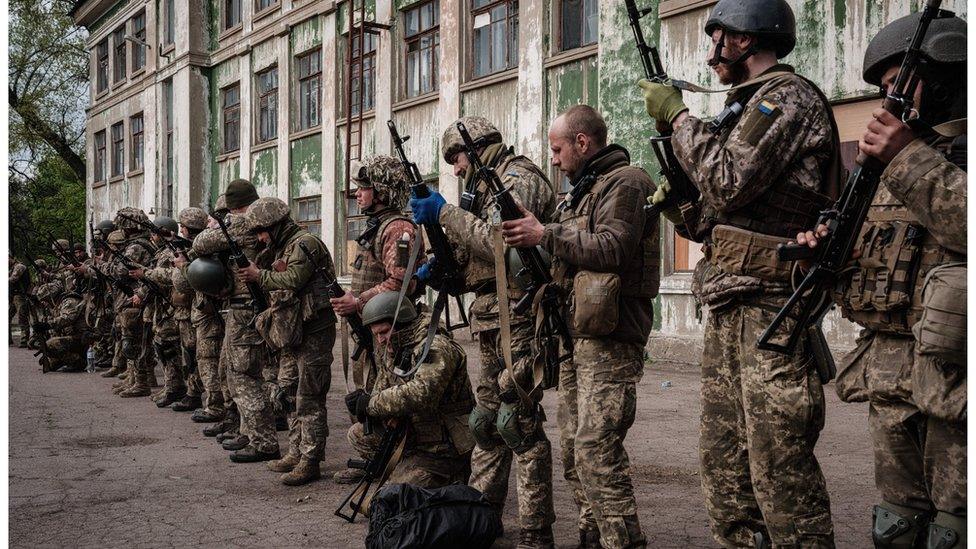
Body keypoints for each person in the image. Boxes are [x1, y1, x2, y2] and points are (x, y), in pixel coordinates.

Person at [637, 0, 841, 546]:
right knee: (726, 475)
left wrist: (681, 118)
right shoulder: (743, 107)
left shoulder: (787, 100)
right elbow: (714, 218)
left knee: (780, 474)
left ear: (746, 39)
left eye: (718, 40)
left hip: (771, 306)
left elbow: (728, 179)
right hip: (730, 302)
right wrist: (680, 200)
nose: (710, 56)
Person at [796, 13, 967, 548]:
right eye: (884, 89)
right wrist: (822, 248)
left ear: (945, 74)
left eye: (899, 85)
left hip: (957, 376)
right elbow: (865, 251)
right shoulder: (887, 166)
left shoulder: (920, 156)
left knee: (954, 529)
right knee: (894, 525)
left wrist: (905, 156)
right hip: (890, 372)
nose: (890, 101)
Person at [501, 105, 659, 548]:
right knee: (574, 450)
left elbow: (612, 248)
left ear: (583, 143)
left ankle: (622, 541)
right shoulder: (582, 192)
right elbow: (571, 253)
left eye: (557, 149)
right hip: (577, 338)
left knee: (596, 449)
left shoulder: (627, 183)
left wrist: (545, 235)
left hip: (612, 340)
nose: (553, 159)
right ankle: (593, 532)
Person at [410, 115, 558, 547]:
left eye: (456, 158)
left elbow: (498, 242)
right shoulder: (483, 191)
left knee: (519, 423)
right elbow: (477, 263)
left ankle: (535, 531)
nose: (455, 169)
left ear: (477, 147)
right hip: (492, 319)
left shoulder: (519, 178)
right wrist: (442, 267)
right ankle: (480, 516)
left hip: (523, 319)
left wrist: (446, 212)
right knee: (486, 423)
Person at [330, 155, 425, 484]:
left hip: (393, 329)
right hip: (374, 327)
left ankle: (394, 466)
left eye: (364, 187)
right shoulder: (379, 226)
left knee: (388, 397)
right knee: (371, 391)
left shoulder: (398, 228)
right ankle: (378, 462)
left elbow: (402, 282)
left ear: (382, 191)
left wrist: (358, 301)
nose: (358, 194)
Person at [238, 196, 337, 485]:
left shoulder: (305, 243)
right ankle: (295, 451)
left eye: (262, 231)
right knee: (289, 393)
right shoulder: (282, 247)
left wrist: (259, 275)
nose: (260, 237)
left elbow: (293, 278)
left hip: (315, 330)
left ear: (276, 225)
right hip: (293, 330)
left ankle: (311, 460)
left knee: (310, 397)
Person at [344, 291, 475, 488]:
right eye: (376, 334)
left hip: (442, 446)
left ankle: (451, 475)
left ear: (402, 323)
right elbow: (383, 387)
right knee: (358, 434)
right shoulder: (394, 346)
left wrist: (371, 404)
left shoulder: (435, 346)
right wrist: (365, 402)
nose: (380, 340)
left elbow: (422, 394)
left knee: (395, 500)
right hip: (413, 435)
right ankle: (403, 467)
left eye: (384, 332)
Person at [192, 179, 279, 462]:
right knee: (238, 372)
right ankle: (248, 431)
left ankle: (263, 443)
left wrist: (220, 224)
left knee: (243, 376)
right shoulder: (261, 220)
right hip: (250, 306)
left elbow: (200, 243)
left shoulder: (241, 224)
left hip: (246, 308)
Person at [129, 216, 185, 407]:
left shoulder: (170, 252)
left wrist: (144, 274)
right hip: (161, 307)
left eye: (155, 232)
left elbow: (167, 277)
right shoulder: (161, 252)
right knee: (162, 347)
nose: (152, 236)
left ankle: (175, 387)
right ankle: (172, 386)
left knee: (169, 348)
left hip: (169, 307)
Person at [108, 209, 159, 398]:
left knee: (134, 342)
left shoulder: (136, 247)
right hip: (134, 299)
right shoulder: (141, 244)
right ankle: (133, 378)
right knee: (133, 341)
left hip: (135, 300)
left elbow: (120, 271)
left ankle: (141, 382)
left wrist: (106, 266)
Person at [9, 254, 32, 347]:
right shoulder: (11, 268)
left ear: (11, 257)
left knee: (22, 317)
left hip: (20, 295)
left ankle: (24, 340)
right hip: (13, 295)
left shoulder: (19, 266)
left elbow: (13, 279)